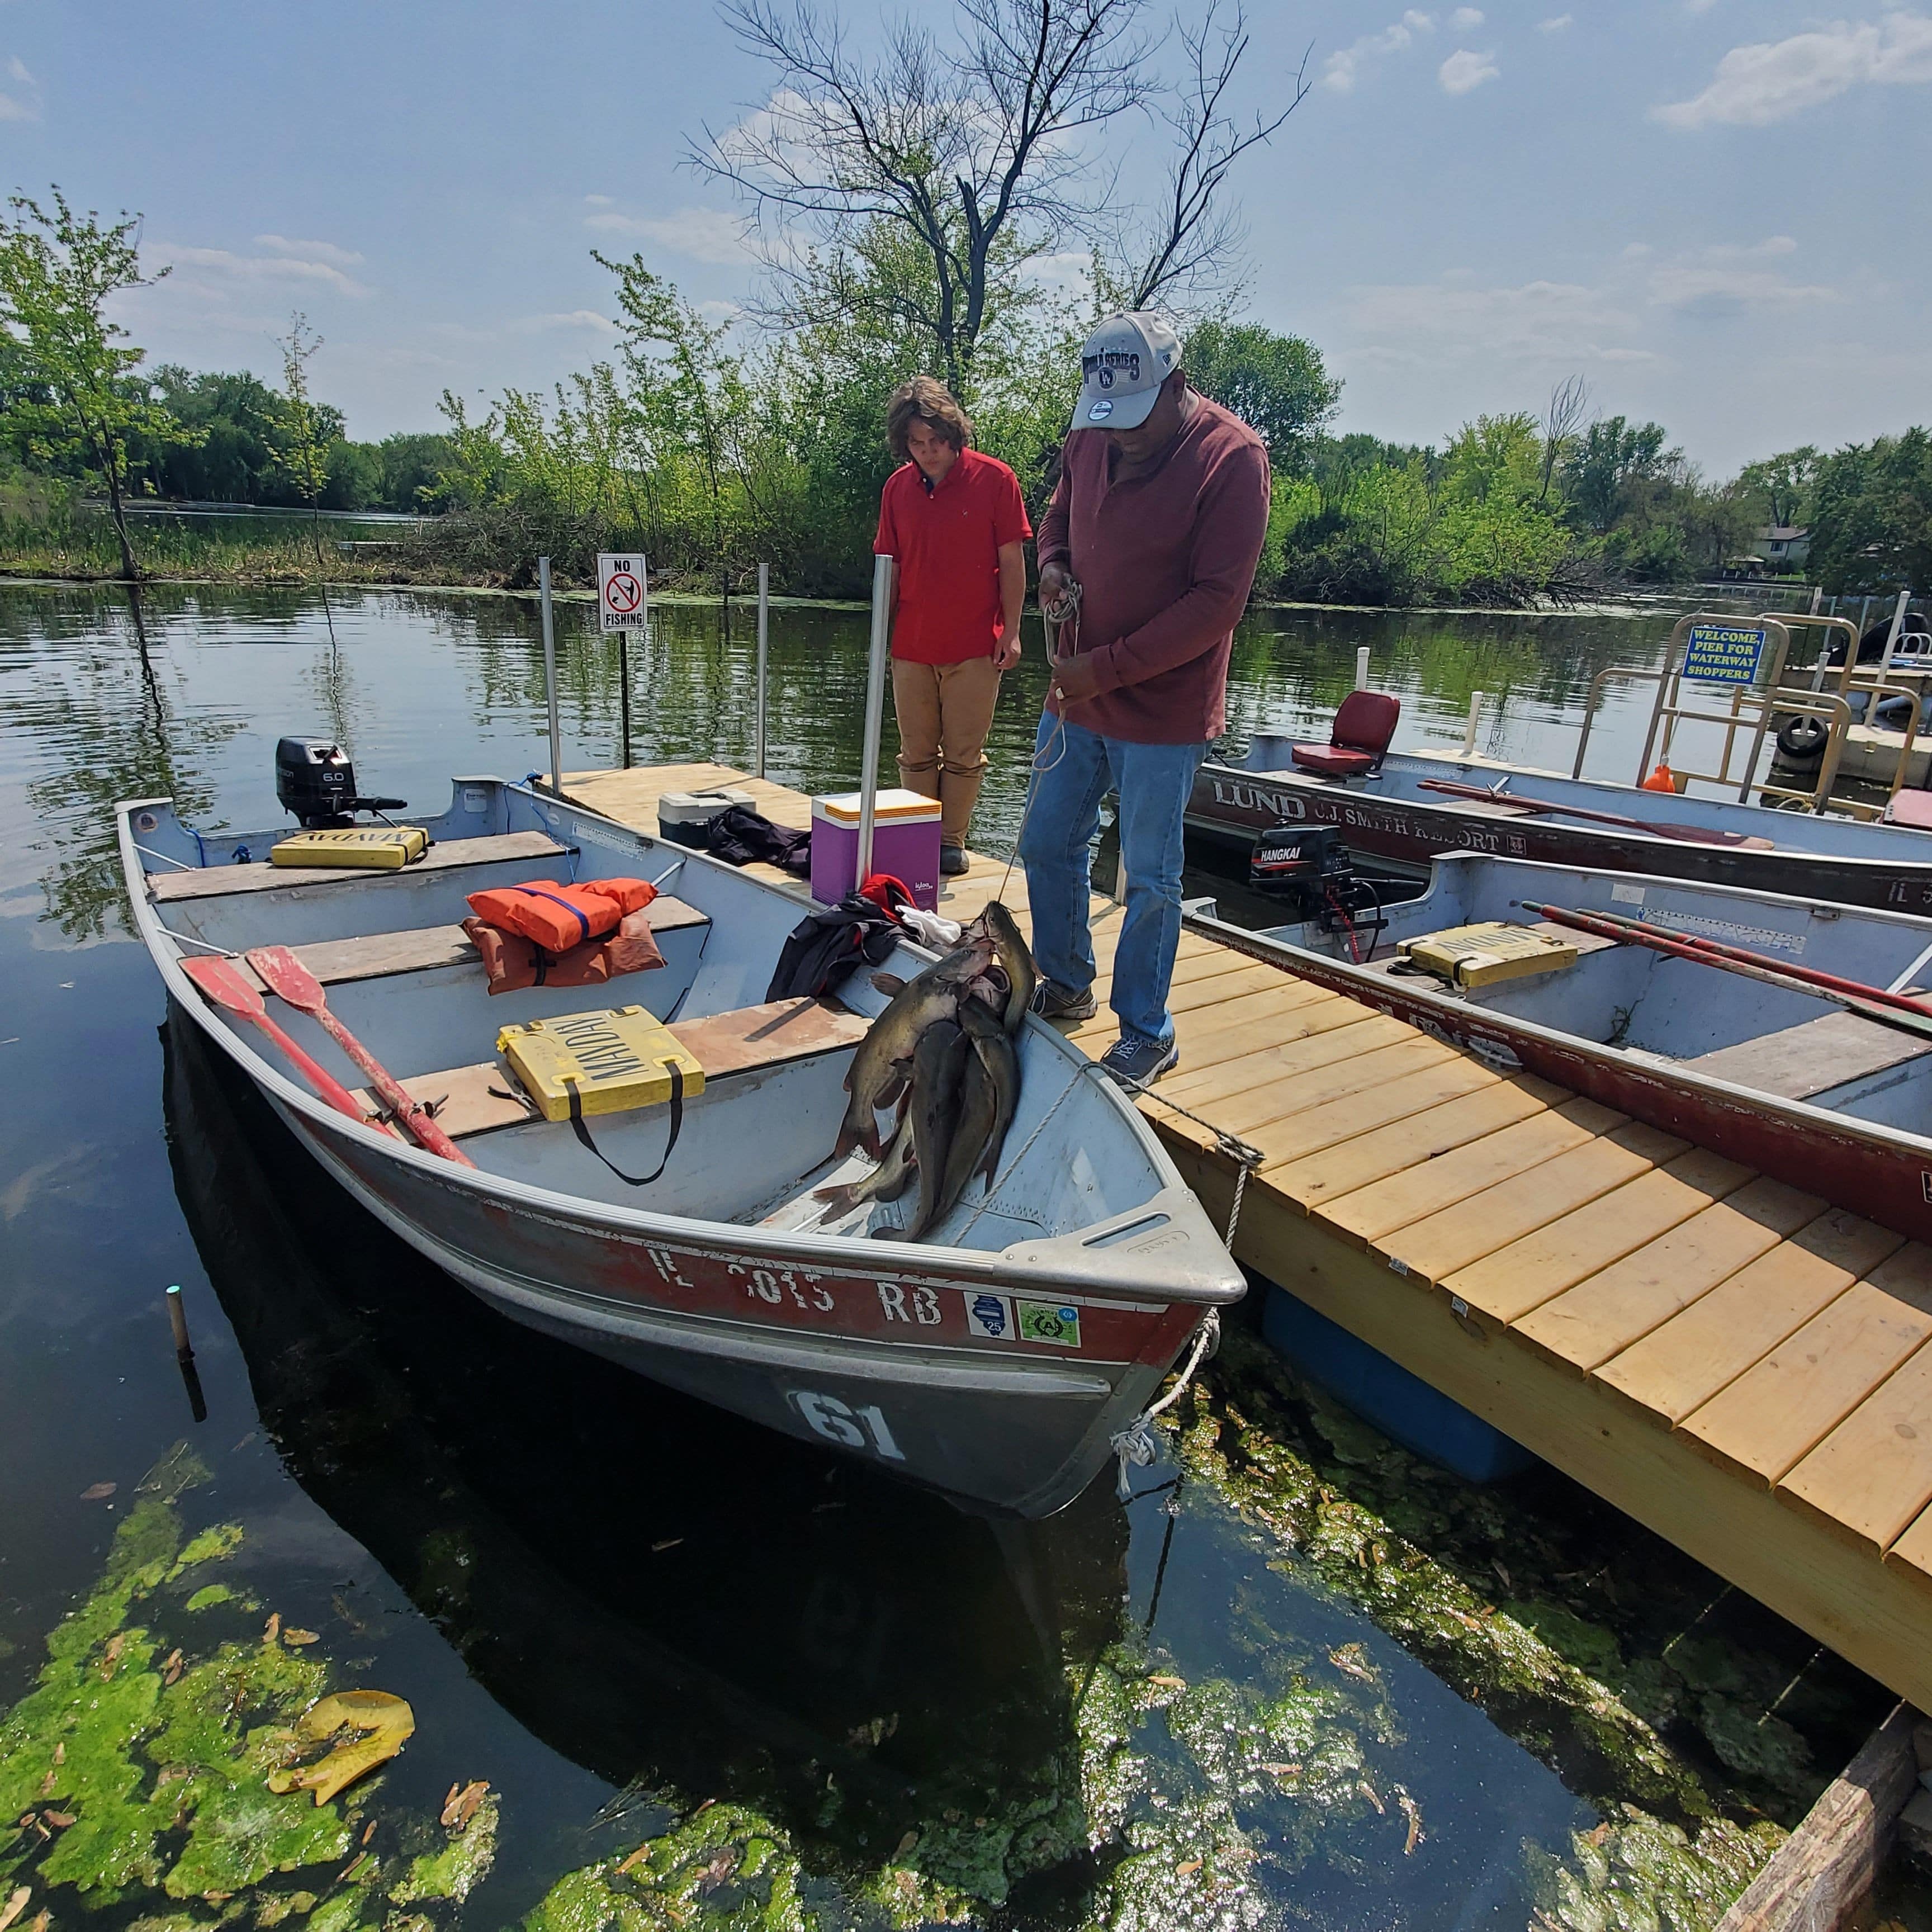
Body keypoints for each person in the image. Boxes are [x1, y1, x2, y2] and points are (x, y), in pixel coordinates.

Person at [1020, 312, 1271, 1085]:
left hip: (1164, 710)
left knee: (1152, 875)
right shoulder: (1093, 434)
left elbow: (1217, 603)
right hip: (1078, 690)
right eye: (1104, 418)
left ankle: (1147, 1031)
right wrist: (1052, 563)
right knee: (1044, 841)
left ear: (1177, 385)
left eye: (1132, 417)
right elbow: (1059, 512)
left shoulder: (1234, 459)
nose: (1116, 435)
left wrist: (1105, 669)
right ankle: (1067, 983)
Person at [875, 376, 1031, 875]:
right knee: (915, 752)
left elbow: (1012, 560)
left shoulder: (997, 479)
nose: (928, 452)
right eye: (917, 443)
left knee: (965, 752)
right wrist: (880, 637)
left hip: (976, 645)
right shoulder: (896, 488)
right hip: (912, 644)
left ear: (955, 434)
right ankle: (917, 835)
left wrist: (1012, 630)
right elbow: (889, 567)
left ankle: (950, 840)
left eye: (936, 440)